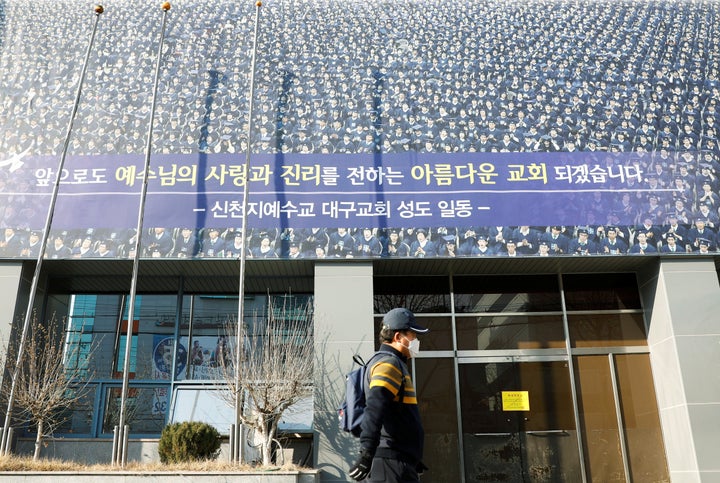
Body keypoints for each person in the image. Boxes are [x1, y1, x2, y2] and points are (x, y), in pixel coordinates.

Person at [349, 308, 429, 483]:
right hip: (390, 465)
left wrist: (411, 456)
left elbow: (395, 414)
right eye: (413, 335)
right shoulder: (389, 363)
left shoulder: (392, 363)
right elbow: (375, 407)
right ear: (398, 337)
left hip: (396, 461)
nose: (416, 340)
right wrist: (366, 453)